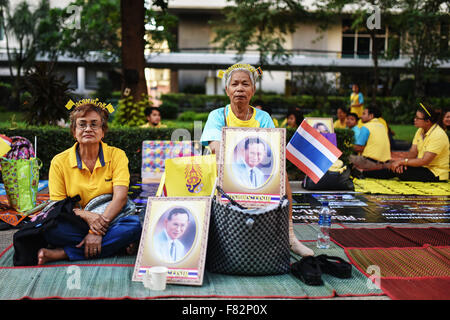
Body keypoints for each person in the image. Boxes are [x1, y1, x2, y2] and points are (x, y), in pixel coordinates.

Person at [200, 63, 313, 257]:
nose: (240, 89)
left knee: (281, 173)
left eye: (245, 84)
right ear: (227, 90)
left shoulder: (263, 117)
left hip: (256, 166)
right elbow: (215, 147)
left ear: (253, 90)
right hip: (224, 168)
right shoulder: (218, 115)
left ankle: (290, 236)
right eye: (235, 84)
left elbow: (272, 149)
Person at [38, 100, 142, 265]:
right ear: (74, 131)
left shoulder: (117, 155)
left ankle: (63, 253)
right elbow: (58, 205)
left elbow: (120, 198)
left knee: (134, 225)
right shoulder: (59, 161)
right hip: (76, 221)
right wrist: (87, 216)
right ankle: (116, 245)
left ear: (103, 131)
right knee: (51, 230)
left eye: (94, 124)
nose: (88, 129)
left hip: (110, 219)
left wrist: (95, 231)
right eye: (82, 125)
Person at [387, 104, 449, 182]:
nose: (414, 119)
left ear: (427, 121)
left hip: (436, 173)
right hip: (423, 167)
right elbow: (413, 152)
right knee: (395, 167)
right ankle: (369, 172)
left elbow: (425, 160)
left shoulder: (438, 135)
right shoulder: (420, 130)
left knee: (400, 170)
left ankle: (370, 172)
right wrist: (402, 164)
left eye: (417, 118)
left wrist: (402, 162)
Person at [350, 106, 391, 178]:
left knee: (343, 157)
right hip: (385, 164)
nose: (361, 116)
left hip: (369, 162)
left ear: (371, 116)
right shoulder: (382, 126)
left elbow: (358, 148)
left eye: (364, 114)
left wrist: (344, 147)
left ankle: (358, 171)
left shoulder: (366, 126)